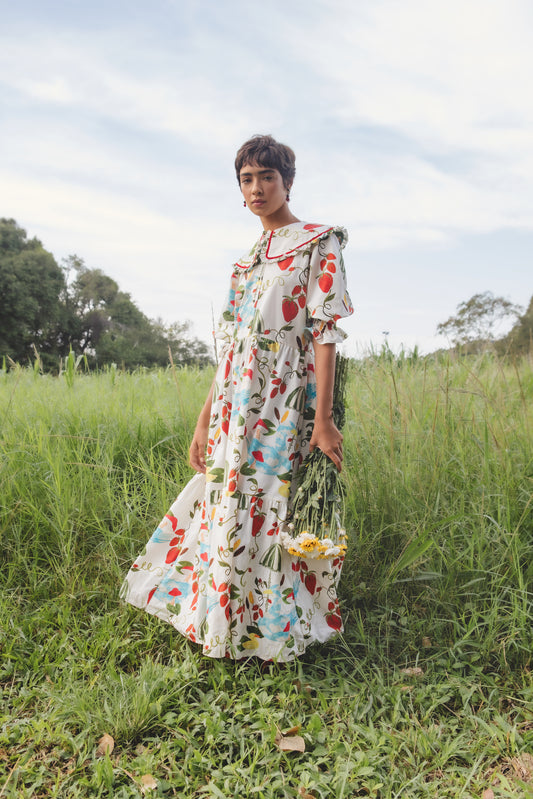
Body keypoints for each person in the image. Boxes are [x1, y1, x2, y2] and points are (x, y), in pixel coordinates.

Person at [122, 134, 353, 662]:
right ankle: (228, 621)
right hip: (234, 402)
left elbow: (324, 335)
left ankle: (274, 626)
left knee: (273, 504)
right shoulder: (245, 262)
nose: (256, 188)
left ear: (287, 182)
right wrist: (204, 420)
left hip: (284, 398)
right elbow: (229, 349)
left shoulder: (319, 243)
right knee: (229, 501)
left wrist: (322, 419)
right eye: (246, 179)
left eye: (267, 177)